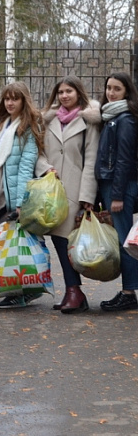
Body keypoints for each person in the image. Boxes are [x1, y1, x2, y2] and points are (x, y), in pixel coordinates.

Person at [35, 77, 100, 314]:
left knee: (67, 242)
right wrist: (45, 168)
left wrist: (87, 197)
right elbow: (38, 152)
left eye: (69, 91)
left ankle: (75, 291)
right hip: (51, 190)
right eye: (60, 92)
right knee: (59, 241)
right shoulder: (48, 120)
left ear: (78, 93)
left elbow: (92, 159)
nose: (64, 96)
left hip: (76, 189)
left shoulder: (88, 121)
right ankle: (73, 291)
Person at [0, 81, 44, 309]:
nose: (10, 103)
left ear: (23, 101)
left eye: (15, 98)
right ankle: (19, 290)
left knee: (18, 249)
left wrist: (20, 203)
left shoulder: (28, 128)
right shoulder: (0, 126)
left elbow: (27, 166)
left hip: (13, 198)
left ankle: (22, 292)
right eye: (7, 98)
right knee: (5, 248)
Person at [95, 72, 138, 312]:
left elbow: (124, 160)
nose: (111, 93)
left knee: (126, 242)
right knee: (124, 239)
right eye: (109, 88)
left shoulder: (125, 119)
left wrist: (118, 195)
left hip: (119, 186)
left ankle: (129, 292)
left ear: (126, 92)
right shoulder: (110, 116)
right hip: (111, 185)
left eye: (117, 89)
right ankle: (128, 290)